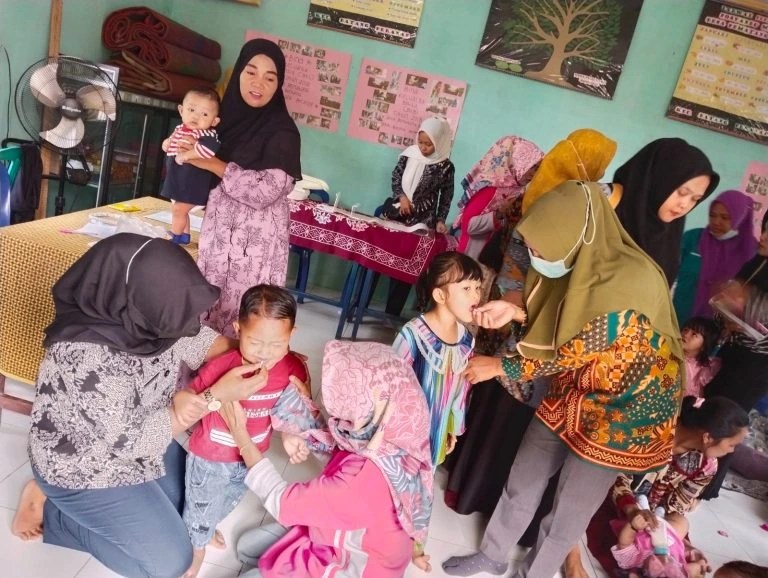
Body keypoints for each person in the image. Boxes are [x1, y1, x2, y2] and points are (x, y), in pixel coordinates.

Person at [442, 180, 684, 578]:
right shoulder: (577, 262)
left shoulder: (631, 280)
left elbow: (570, 349)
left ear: (576, 234)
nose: (537, 259)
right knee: (525, 474)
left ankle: (534, 573)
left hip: (626, 412)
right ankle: (493, 554)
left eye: (541, 251)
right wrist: (515, 311)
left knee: (570, 508)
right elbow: (558, 320)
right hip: (576, 385)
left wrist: (499, 366)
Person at [11, 233, 269, 578]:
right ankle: (53, 511)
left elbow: (203, 343)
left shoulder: (148, 313)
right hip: (83, 464)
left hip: (142, 432)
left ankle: (74, 505)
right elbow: (136, 440)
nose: (189, 322)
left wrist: (263, 352)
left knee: (192, 501)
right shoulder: (87, 357)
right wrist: (215, 396)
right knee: (171, 564)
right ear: (135, 300)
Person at [444, 128, 617, 516]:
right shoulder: (569, 208)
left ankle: (466, 480)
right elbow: (522, 257)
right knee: (501, 394)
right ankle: (472, 484)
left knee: (499, 392)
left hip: (523, 311)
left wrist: (514, 303)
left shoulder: (585, 210)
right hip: (522, 310)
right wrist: (517, 304)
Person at [226, 340, 434, 577]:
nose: (335, 408)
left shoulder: (356, 485)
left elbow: (280, 500)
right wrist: (307, 406)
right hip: (344, 534)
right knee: (247, 545)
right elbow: (337, 453)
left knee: (251, 562)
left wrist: (241, 435)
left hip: (353, 565)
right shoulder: (393, 437)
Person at [182, 284, 325, 577]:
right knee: (201, 504)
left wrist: (290, 433)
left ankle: (204, 528)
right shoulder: (222, 365)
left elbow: (293, 405)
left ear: (292, 335)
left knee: (228, 500)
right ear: (238, 329)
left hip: (251, 456)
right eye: (255, 342)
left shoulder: (292, 368)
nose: (265, 354)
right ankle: (195, 549)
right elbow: (191, 401)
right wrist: (214, 399)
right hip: (211, 456)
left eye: (276, 344)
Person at [186, 39, 302, 338]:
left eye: (270, 78)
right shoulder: (221, 122)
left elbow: (265, 192)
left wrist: (216, 165)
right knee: (207, 316)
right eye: (250, 72)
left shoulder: (283, 132)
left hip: (254, 251)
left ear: (278, 85)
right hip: (217, 241)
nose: (258, 83)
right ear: (238, 72)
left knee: (243, 324)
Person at [578, 395, 749, 577]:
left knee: (675, 559)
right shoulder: (651, 432)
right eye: (732, 445)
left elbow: (675, 508)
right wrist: (633, 512)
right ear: (708, 437)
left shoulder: (706, 465)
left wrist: (679, 543)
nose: (732, 451)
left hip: (654, 521)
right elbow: (616, 477)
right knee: (627, 553)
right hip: (617, 503)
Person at [393, 252, 481, 468]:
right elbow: (391, 384)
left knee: (425, 475)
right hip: (403, 434)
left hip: (437, 431)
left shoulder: (466, 340)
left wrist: (453, 427)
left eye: (478, 287)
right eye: (466, 289)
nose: (476, 296)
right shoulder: (413, 334)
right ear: (440, 295)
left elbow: (461, 392)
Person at [701, 235, 768, 499]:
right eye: (764, 229)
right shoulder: (755, 264)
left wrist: (750, 327)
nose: (763, 237)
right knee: (710, 407)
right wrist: (726, 317)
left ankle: (707, 486)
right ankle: (688, 473)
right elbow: (725, 300)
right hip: (732, 351)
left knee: (729, 421)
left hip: (757, 366)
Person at [380, 116, 455, 316]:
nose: (423, 147)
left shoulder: (445, 166)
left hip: (422, 222)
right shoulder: (409, 154)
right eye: (421, 142)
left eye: (429, 144)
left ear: (439, 142)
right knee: (382, 258)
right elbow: (396, 177)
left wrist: (440, 219)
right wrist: (402, 197)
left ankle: (391, 313)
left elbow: (446, 196)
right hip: (397, 214)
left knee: (407, 267)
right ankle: (363, 304)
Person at [452, 135, 544, 258]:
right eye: (531, 167)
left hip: (493, 257)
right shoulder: (491, 188)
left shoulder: (518, 190)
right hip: (471, 256)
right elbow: (468, 226)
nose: (534, 174)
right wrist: (499, 213)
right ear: (517, 162)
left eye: (537, 168)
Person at [674, 189, 757, 322]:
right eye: (712, 215)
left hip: (715, 327)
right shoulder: (693, 239)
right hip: (677, 318)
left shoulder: (749, 251)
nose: (716, 221)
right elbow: (668, 274)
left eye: (725, 217)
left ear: (740, 217)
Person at [159, 88, 221, 245]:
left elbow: (208, 151)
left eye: (204, 114)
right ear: (181, 110)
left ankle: (174, 237)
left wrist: (187, 155)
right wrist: (166, 144)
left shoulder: (206, 134)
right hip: (178, 178)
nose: (195, 116)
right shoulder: (179, 128)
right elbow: (172, 142)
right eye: (191, 110)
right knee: (179, 207)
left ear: (214, 121)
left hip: (193, 183)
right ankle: (184, 236)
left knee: (178, 209)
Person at [681, 316, 721, 397]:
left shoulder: (706, 369)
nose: (685, 335)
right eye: (685, 330)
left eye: (694, 334)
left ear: (704, 345)